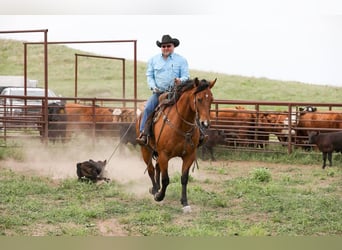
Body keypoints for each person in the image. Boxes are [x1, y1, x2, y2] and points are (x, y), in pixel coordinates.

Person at [136, 34, 190, 145]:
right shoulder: (153, 60)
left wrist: (180, 80)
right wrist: (153, 86)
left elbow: (186, 76)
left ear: (173, 46)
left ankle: (200, 135)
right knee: (148, 109)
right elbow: (150, 76)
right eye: (164, 46)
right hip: (159, 93)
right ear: (161, 47)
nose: (166, 48)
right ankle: (143, 134)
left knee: (191, 107)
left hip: (177, 93)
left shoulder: (181, 60)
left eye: (168, 46)